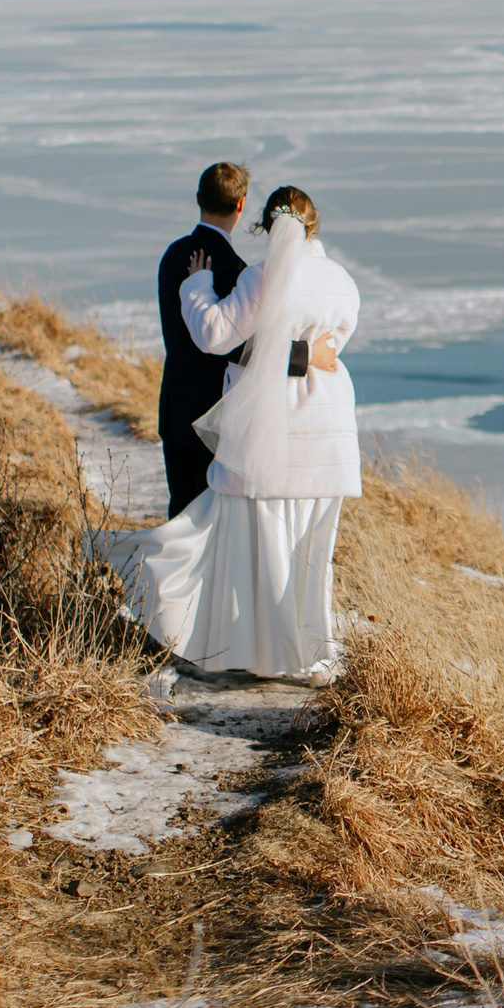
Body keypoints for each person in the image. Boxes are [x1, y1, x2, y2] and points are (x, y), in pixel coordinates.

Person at [97, 185, 361, 680]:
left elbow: (214, 335)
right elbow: (333, 344)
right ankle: (309, 652)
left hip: (272, 432)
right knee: (311, 552)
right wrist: (301, 353)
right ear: (314, 224)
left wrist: (197, 286)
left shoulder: (263, 279)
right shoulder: (343, 282)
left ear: (263, 223)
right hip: (328, 435)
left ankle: (249, 649)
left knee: (259, 549)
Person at [155, 163, 332, 514]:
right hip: (216, 414)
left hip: (175, 402)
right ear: (240, 204)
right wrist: (306, 355)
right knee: (208, 519)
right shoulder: (236, 271)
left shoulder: (172, 255)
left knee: (180, 510)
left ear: (198, 199)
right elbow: (248, 348)